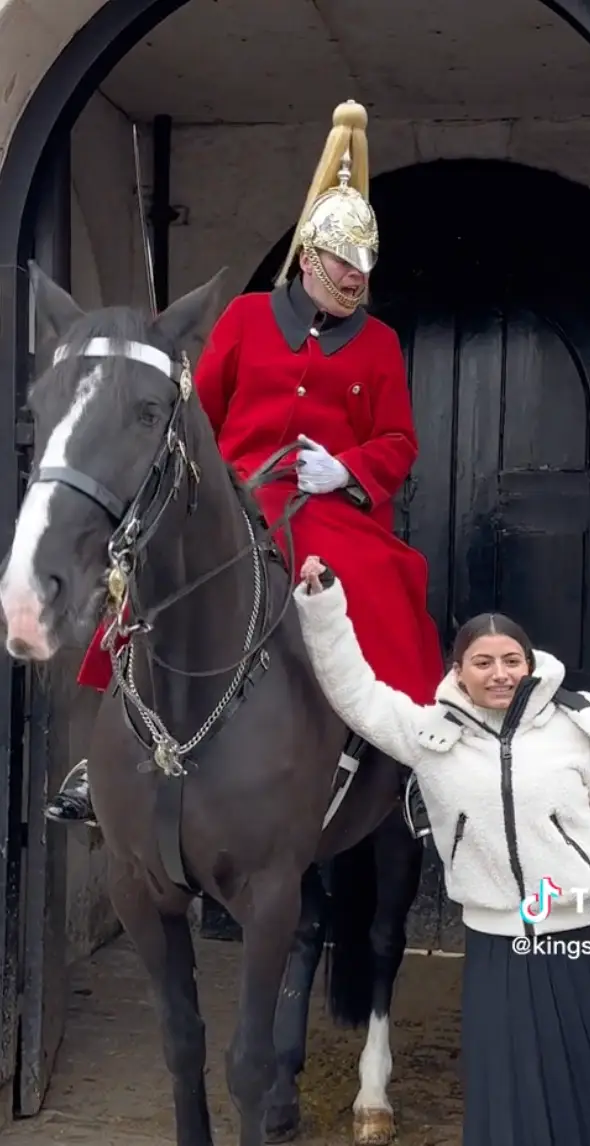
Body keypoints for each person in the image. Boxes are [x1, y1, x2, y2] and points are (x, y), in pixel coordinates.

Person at [45, 99, 445, 838]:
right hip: (235, 492)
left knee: (391, 584)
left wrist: (348, 470)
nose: (355, 280)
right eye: (341, 265)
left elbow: (398, 440)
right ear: (310, 255)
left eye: (364, 269)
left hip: (328, 505)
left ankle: (414, 761)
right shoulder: (247, 320)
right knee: (141, 578)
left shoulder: (380, 343)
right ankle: (100, 758)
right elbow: (198, 411)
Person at [291, 553, 590, 1146]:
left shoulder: (578, 727)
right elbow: (355, 692)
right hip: (502, 949)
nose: (500, 673)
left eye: (512, 660)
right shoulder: (430, 737)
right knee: (520, 1111)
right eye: (483, 662)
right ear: (459, 670)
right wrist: (324, 607)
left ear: (531, 666)